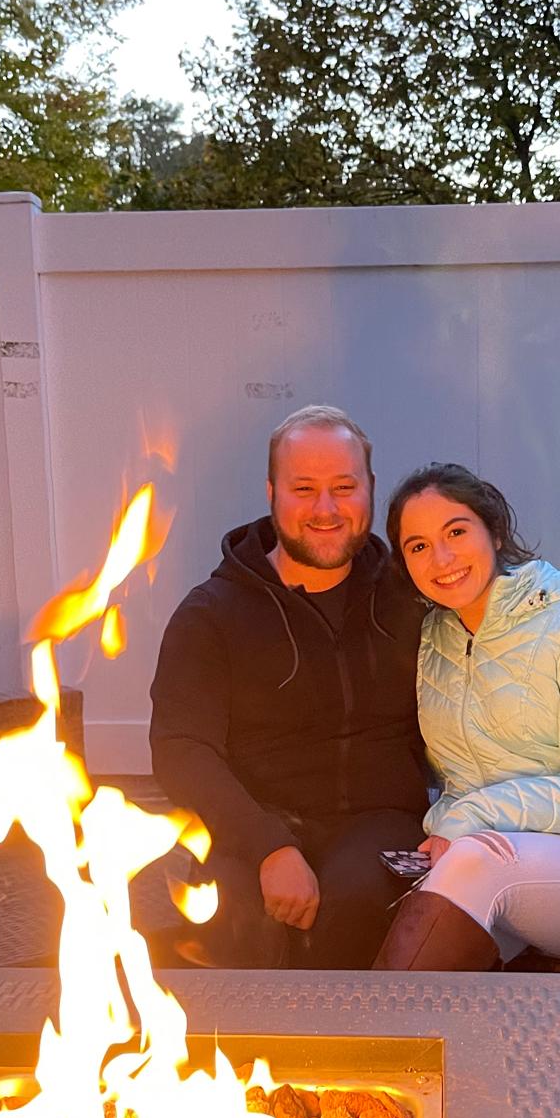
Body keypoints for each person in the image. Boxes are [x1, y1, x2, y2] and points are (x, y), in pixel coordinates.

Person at [149, 405, 428, 968]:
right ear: (272, 492)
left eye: (344, 487)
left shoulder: (411, 597)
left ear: (370, 489)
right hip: (251, 819)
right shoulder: (212, 614)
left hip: (380, 821)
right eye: (304, 489)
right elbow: (181, 748)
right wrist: (268, 846)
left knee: (355, 911)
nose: (326, 509)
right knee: (234, 919)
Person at [372, 463, 560, 972]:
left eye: (456, 532)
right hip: (481, 864)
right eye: (418, 546)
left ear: (496, 531)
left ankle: (377, 1026)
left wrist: (465, 819)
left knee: (475, 864)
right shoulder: (433, 638)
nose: (441, 558)